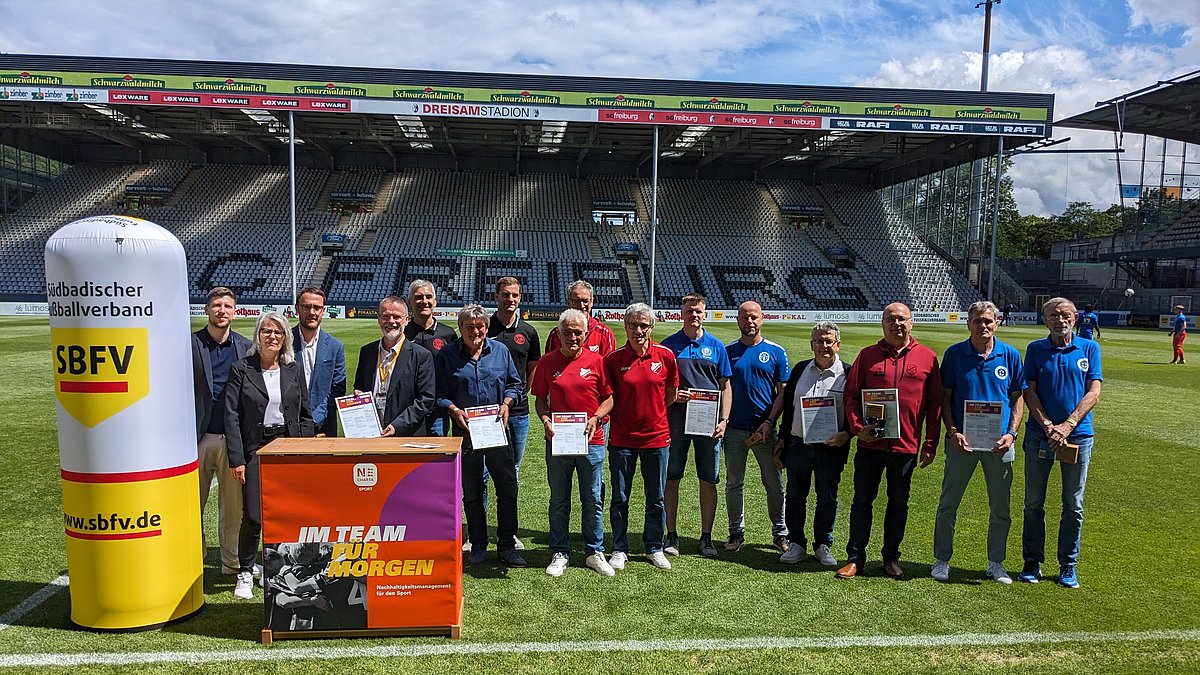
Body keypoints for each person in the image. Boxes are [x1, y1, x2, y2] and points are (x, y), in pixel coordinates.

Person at [837, 302, 942, 580]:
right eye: (891, 320)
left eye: (902, 319)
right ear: (882, 324)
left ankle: (891, 558)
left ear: (911, 323)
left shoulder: (927, 358)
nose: (897, 324)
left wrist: (930, 443)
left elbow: (935, 406)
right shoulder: (867, 355)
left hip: (905, 446)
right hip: (869, 445)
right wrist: (858, 427)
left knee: (898, 503)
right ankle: (855, 557)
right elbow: (851, 396)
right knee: (862, 501)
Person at [931, 301, 1025, 585]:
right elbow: (945, 398)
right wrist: (953, 431)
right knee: (949, 503)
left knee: (1000, 507)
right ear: (968, 323)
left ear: (996, 323)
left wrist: (1011, 434)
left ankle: (996, 563)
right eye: (977, 321)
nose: (983, 326)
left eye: (988, 321)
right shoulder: (955, 354)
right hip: (963, 442)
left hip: (1000, 443)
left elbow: (1017, 399)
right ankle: (941, 559)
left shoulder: (1009, 355)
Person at [224, 312, 315, 600]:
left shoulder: (292, 368)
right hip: (255, 447)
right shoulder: (241, 369)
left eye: (278, 332)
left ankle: (275, 570)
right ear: (257, 335)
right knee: (253, 514)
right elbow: (231, 416)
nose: (272, 336)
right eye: (266, 331)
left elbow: (305, 412)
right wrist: (237, 459)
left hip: (287, 446)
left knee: (286, 512)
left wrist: (305, 448)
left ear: (285, 337)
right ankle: (245, 572)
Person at [1020, 297, 1103, 589]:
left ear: (1076, 317)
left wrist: (1068, 425)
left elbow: (1094, 391)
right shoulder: (1035, 349)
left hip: (1078, 436)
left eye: (1065, 314)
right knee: (1033, 502)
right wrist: (1048, 426)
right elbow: (1028, 392)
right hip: (1039, 435)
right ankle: (1032, 561)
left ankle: (1068, 564)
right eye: (1053, 315)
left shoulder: (1089, 348)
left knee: (1073, 503)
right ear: (1045, 320)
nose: (1059, 320)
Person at [436, 305, 525, 567]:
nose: (476, 331)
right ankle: (478, 544)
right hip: (466, 434)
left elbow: (515, 384)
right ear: (460, 329)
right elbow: (439, 393)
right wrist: (453, 410)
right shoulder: (448, 355)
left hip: (498, 431)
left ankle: (507, 545)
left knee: (507, 489)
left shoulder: (500, 351)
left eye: (480, 326)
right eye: (470, 327)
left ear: (486, 327)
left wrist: (507, 403)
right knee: (472, 492)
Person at [532, 308, 615, 577]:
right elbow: (540, 400)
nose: (572, 337)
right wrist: (546, 421)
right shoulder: (546, 363)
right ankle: (560, 551)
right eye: (567, 332)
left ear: (586, 333)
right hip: (559, 441)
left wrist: (596, 418)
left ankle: (594, 551)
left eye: (578, 332)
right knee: (559, 499)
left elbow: (609, 399)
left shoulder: (597, 362)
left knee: (592, 498)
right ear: (559, 334)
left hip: (591, 440)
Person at [605, 303, 679, 571]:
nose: (638, 330)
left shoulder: (666, 356)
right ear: (625, 326)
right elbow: (608, 397)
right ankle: (619, 547)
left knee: (656, 497)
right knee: (620, 497)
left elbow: (669, 395)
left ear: (652, 327)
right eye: (633, 325)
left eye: (643, 325)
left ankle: (653, 547)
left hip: (657, 439)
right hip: (622, 440)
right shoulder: (613, 360)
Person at [773, 321, 851, 567]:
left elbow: (854, 411)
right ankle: (796, 543)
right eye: (819, 341)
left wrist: (847, 434)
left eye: (829, 341)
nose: (824, 346)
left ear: (837, 344)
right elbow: (788, 406)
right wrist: (783, 439)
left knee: (827, 497)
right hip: (799, 444)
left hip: (831, 447)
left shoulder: (848, 373)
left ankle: (823, 544)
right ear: (812, 344)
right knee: (796, 495)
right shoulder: (799, 370)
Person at [660, 293, 731, 558]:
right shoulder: (669, 346)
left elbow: (725, 386)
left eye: (698, 311)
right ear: (681, 313)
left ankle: (706, 537)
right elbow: (661, 387)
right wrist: (673, 396)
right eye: (689, 311)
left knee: (708, 480)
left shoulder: (716, 346)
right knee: (672, 478)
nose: (694, 315)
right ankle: (672, 535)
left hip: (708, 424)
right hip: (675, 423)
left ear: (705, 313)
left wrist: (724, 420)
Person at [191, 287, 252, 576]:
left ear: (235, 311)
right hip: (198, 438)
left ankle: (232, 563)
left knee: (233, 510)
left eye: (228, 305)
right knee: (192, 506)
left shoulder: (245, 346)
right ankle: (193, 559)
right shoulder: (190, 344)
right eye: (217, 305)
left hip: (233, 439)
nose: (222, 310)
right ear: (207, 310)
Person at [724, 301, 791, 553]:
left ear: (762, 319)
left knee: (774, 483)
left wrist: (769, 422)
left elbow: (782, 393)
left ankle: (780, 533)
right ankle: (735, 533)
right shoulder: (728, 351)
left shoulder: (776, 351)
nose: (749, 322)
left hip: (765, 430)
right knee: (734, 482)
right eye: (744, 318)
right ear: (738, 320)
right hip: (734, 431)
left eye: (754, 317)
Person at [486, 277, 541, 522]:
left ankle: (509, 528)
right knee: (483, 472)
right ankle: (479, 529)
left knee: (513, 469)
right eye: (505, 295)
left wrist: (520, 393)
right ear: (496, 296)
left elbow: (532, 367)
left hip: (518, 412)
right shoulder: (483, 326)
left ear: (520, 298)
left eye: (515, 295)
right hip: (487, 413)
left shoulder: (528, 332)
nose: (510, 300)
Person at [352, 296, 435, 437]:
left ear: (406, 320)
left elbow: (426, 400)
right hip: (371, 434)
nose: (391, 322)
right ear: (378, 318)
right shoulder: (367, 352)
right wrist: (358, 395)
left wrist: (397, 426)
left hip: (406, 436)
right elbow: (360, 386)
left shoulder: (421, 355)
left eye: (396, 317)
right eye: (385, 316)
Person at [291, 287, 346, 438]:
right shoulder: (284, 343)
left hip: (323, 427)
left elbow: (337, 390)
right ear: (297, 308)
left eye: (317, 307)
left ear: (323, 310)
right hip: (289, 428)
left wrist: (314, 420)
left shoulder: (335, 347)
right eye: (306, 307)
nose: (312, 312)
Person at [405, 279, 458, 435]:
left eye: (428, 297)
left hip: (438, 412)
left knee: (436, 458)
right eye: (418, 297)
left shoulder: (448, 334)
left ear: (435, 301)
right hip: (407, 411)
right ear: (410, 302)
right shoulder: (401, 334)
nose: (424, 301)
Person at [545, 280, 617, 356]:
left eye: (585, 301)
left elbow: (610, 365)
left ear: (592, 302)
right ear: (568, 302)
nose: (581, 305)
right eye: (576, 301)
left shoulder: (604, 333)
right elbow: (549, 364)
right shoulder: (556, 334)